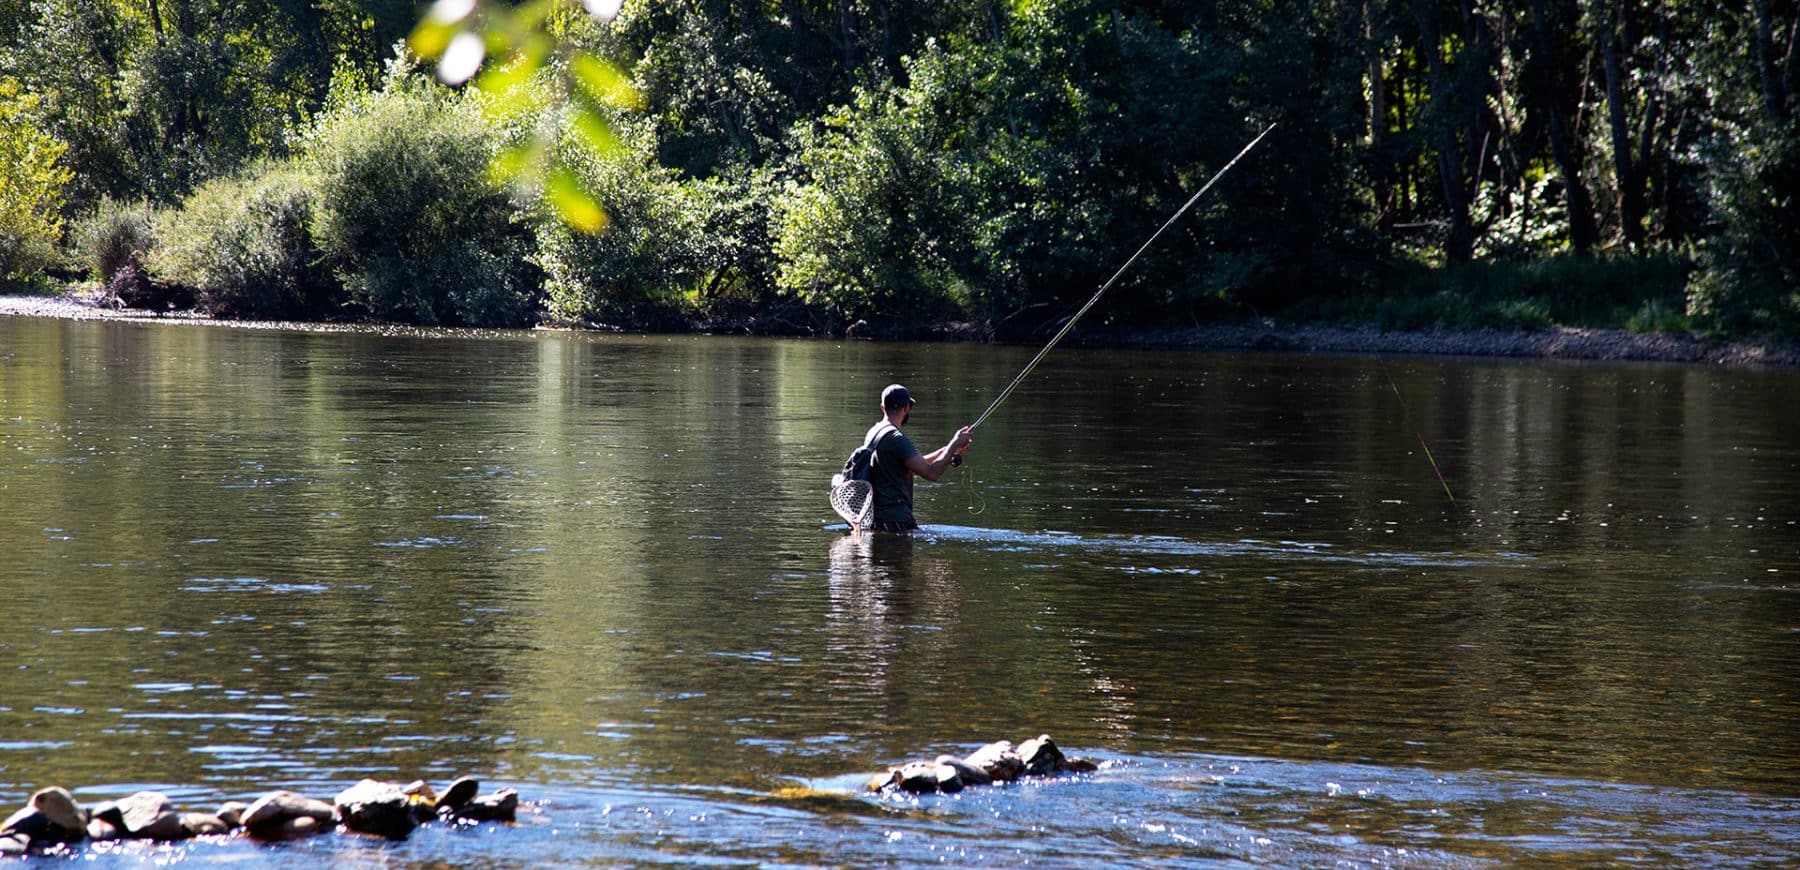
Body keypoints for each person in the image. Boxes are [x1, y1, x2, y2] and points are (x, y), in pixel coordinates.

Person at [865, 383, 973, 532]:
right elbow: (931, 473)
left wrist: (947, 450)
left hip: (875, 519)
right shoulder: (898, 439)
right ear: (906, 408)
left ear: (882, 407)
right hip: (896, 522)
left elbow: (913, 467)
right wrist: (954, 443)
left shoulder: (874, 432)